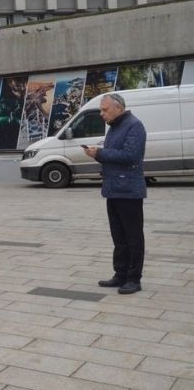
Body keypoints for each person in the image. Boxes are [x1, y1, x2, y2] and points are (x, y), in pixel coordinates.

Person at [84, 93, 147, 295]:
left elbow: (131, 156)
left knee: (133, 237)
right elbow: (113, 158)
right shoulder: (114, 127)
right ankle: (120, 274)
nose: (102, 114)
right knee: (118, 237)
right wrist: (97, 154)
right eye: (101, 110)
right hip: (113, 189)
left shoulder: (134, 126)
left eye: (105, 109)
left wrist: (100, 153)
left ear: (118, 108)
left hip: (129, 191)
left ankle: (133, 279)